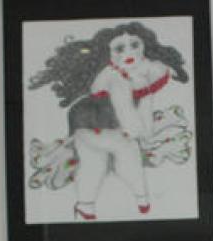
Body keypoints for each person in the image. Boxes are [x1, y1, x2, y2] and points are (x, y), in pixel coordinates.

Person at [28, 22, 189, 221]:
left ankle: (93, 205)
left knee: (107, 161)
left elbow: (145, 102)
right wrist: (142, 133)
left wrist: (146, 131)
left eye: (134, 45)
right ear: (109, 53)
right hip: (92, 122)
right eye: (119, 48)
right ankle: (136, 199)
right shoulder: (113, 75)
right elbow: (125, 110)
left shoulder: (148, 68)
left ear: (145, 45)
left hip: (100, 124)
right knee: (113, 159)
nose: (128, 53)